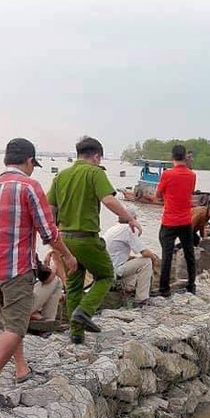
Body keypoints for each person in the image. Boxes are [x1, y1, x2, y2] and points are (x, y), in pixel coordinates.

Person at [0, 138, 77, 409]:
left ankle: (21, 367)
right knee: (16, 325)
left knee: (11, 319)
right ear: (28, 161)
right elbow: (49, 233)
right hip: (16, 269)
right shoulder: (30, 186)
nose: (33, 169)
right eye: (33, 164)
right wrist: (68, 257)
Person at [48, 136, 141, 342]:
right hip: (86, 239)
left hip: (64, 239)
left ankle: (76, 334)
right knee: (106, 275)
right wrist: (129, 219)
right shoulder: (94, 172)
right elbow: (108, 199)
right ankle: (84, 311)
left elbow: (50, 210)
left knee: (73, 284)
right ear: (97, 156)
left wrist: (53, 237)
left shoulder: (61, 176)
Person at [156, 144, 197, 297]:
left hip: (169, 220)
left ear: (172, 157)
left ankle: (164, 289)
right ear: (185, 156)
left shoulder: (167, 174)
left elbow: (158, 194)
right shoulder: (192, 175)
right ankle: (191, 285)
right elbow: (189, 192)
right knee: (189, 253)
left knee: (166, 255)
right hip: (186, 220)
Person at [103, 212, 159, 306]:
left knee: (133, 260)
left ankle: (129, 287)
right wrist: (154, 258)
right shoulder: (128, 229)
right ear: (133, 220)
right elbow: (144, 252)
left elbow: (116, 253)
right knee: (146, 261)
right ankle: (142, 299)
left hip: (108, 267)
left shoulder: (113, 228)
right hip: (114, 270)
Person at [31, 255, 64, 323]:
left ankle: (46, 320)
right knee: (55, 280)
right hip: (18, 303)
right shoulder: (26, 250)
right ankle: (47, 320)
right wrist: (54, 268)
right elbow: (46, 278)